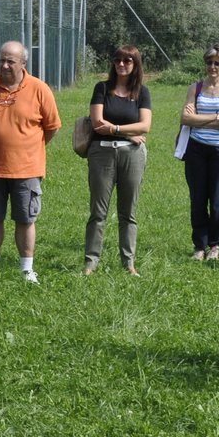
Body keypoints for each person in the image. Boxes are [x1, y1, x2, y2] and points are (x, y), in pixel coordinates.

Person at [0, 41, 61, 283]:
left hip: (26, 170)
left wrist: (27, 147)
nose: (5, 65)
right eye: (2, 59)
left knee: (25, 218)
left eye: (11, 61)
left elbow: (51, 127)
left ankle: (26, 269)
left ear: (23, 63)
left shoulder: (40, 89)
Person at [84, 46, 152, 276]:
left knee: (128, 213)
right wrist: (127, 133)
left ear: (136, 64)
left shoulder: (142, 92)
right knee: (98, 212)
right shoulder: (102, 88)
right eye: (117, 60)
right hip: (101, 153)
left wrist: (114, 128)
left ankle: (129, 263)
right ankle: (91, 263)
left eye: (127, 60)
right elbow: (97, 123)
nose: (121, 64)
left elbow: (145, 126)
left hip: (132, 156)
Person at [180, 44, 219, 262]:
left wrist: (201, 119)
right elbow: (186, 119)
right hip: (196, 149)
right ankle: (199, 245)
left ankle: (215, 245)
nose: (212, 67)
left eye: (217, 63)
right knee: (197, 200)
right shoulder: (195, 88)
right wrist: (216, 117)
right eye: (209, 62)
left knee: (217, 200)